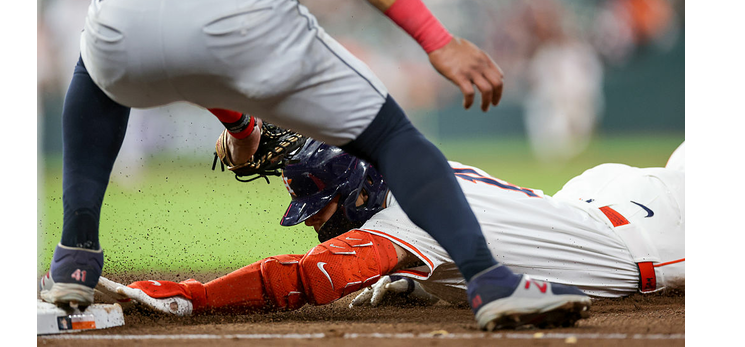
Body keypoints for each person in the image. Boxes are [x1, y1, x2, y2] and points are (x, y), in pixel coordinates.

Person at [39, 0, 571, 331]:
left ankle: (75, 258)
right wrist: (437, 40)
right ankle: (489, 280)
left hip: (121, 9)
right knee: (391, 136)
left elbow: (174, 13)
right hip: (241, 3)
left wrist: (244, 128)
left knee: (97, 71)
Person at [94, 140, 684, 330]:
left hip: (651, 240)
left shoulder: (404, 219)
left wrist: (192, 294)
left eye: (323, 211)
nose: (320, 225)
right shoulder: (413, 181)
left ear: (355, 194)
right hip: (601, 199)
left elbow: (305, 280)